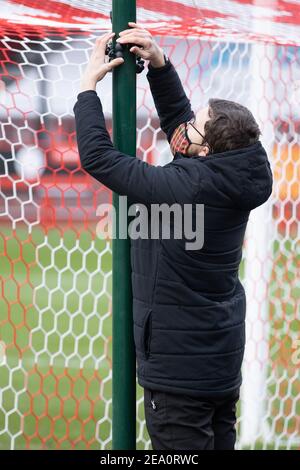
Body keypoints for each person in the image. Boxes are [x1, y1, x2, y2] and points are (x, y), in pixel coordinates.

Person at [73, 23, 273, 450]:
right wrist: (160, 67)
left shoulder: (189, 186)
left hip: (180, 373)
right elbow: (186, 133)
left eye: (197, 127)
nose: (187, 128)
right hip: (218, 361)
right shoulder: (241, 170)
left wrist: (88, 89)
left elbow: (99, 157)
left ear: (206, 152)